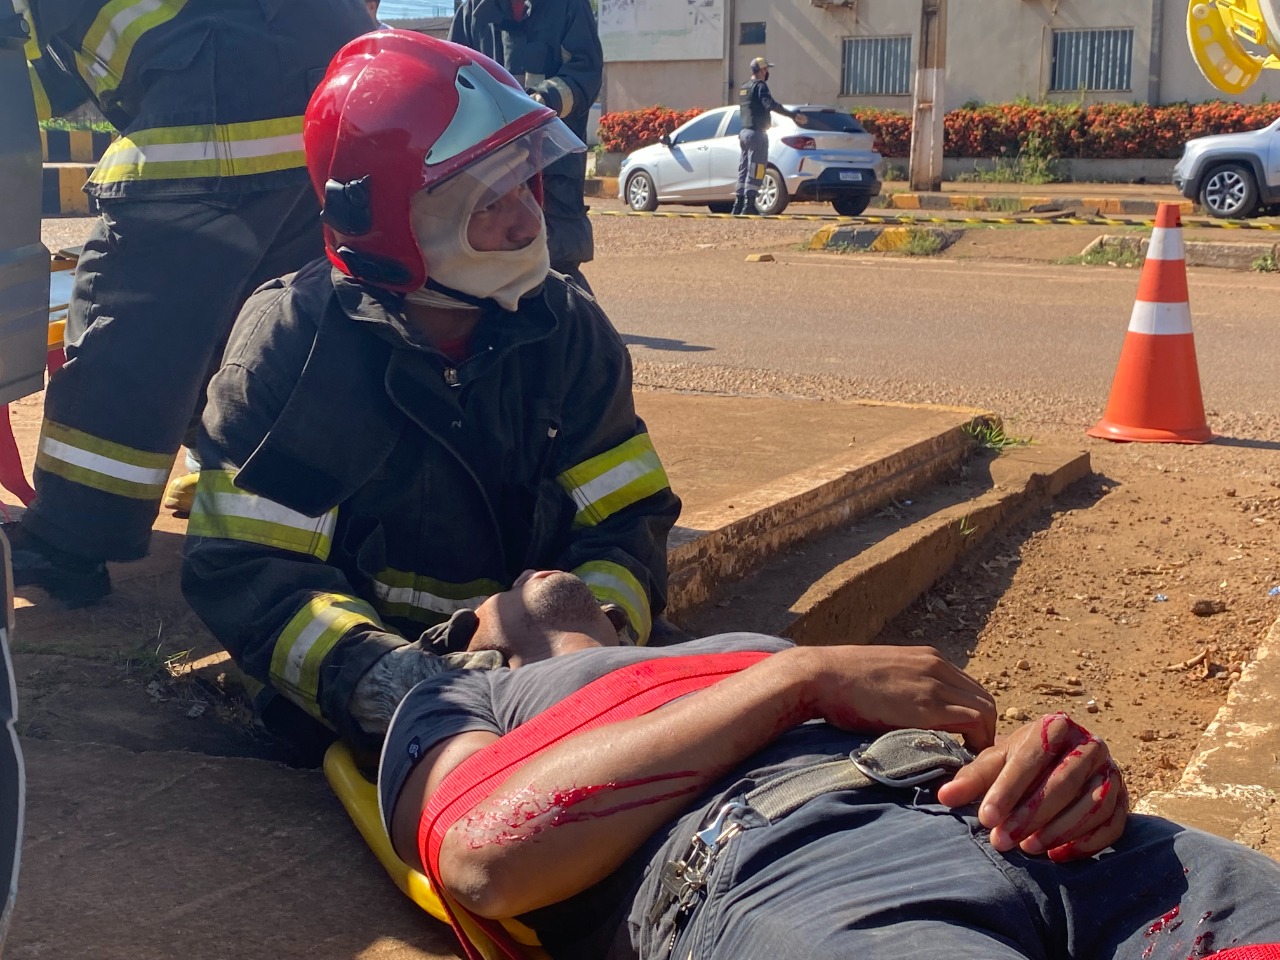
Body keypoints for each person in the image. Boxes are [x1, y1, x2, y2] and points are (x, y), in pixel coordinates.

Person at [180, 33, 680, 757]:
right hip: (361, 696)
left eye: (525, 186)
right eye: (489, 201)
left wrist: (595, 628)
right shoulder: (295, 342)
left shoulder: (566, 329)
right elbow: (252, 570)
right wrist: (382, 679)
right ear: (389, 218)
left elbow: (630, 520)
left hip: (549, 672)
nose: (527, 221)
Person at [380, 569, 1280, 960]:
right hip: (780, 870)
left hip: (1022, 835)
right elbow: (483, 859)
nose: (536, 571)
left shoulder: (727, 651)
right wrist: (803, 677)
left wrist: (1047, 770)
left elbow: (954, 729)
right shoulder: (470, 698)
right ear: (479, 642)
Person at [6, 0, 373, 607]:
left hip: (210, 111)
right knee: (269, 329)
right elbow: (54, 79)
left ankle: (71, 542)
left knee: (131, 341)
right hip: (335, 105)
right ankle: (270, 504)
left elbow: (19, 88)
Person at [449, 0, 602, 287]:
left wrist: (541, 103)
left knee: (560, 274)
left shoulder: (568, 6)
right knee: (490, 272)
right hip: (492, 171)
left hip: (553, 165)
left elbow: (586, 73)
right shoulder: (472, 10)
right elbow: (452, 78)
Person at [732, 57, 807, 217]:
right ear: (762, 70)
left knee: (744, 168)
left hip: (744, 133)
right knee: (757, 168)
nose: (768, 73)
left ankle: (738, 204)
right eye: (767, 69)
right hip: (757, 133)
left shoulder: (744, 87)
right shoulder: (761, 86)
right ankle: (749, 205)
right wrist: (792, 115)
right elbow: (769, 104)